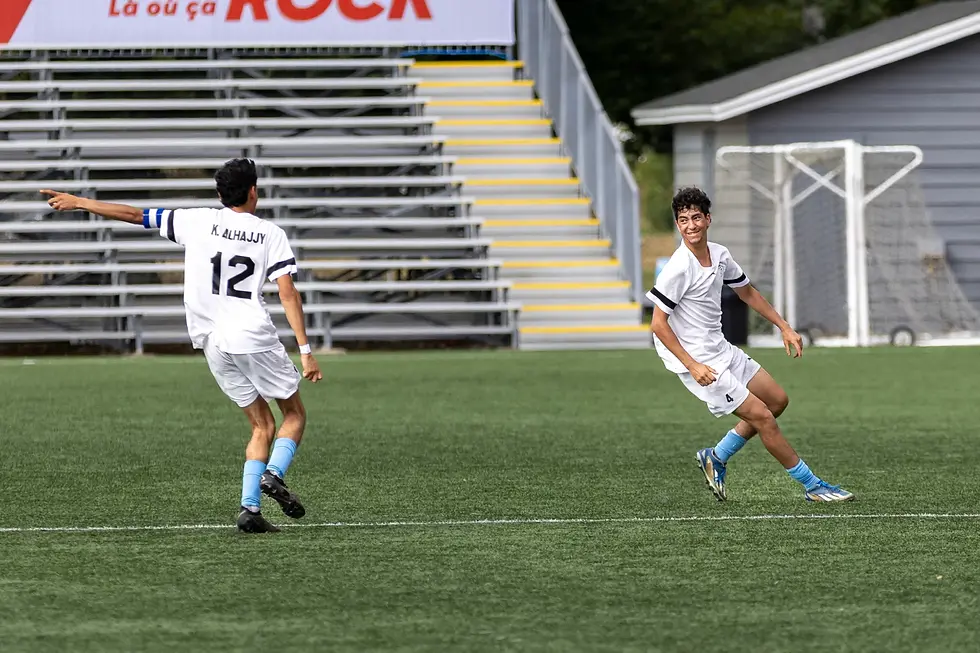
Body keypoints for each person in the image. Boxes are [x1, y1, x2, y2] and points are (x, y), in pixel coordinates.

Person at [41, 158, 323, 532]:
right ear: (253, 191)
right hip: (251, 335)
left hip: (212, 341)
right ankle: (273, 474)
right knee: (294, 415)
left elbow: (135, 214)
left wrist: (81, 202)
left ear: (221, 194)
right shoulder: (270, 234)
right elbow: (287, 292)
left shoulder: (197, 220)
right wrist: (305, 350)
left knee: (260, 425)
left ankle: (250, 510)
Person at [649, 186, 853, 503]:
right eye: (683, 219)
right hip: (699, 362)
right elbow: (657, 325)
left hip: (721, 349)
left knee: (777, 401)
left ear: (708, 219)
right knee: (763, 417)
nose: (691, 226)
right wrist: (692, 365)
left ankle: (715, 457)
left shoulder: (719, 255)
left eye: (696, 218)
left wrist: (784, 326)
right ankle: (814, 486)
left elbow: (747, 292)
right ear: (678, 224)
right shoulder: (678, 268)